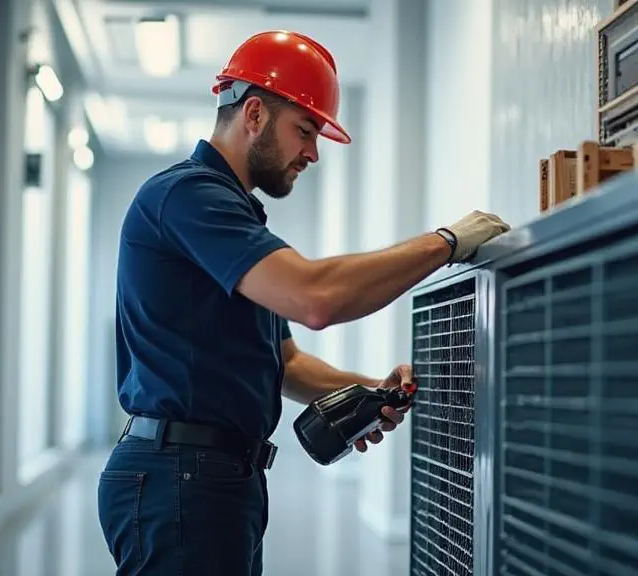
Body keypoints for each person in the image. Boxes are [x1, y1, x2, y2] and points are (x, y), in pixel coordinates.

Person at [97, 29, 511, 575]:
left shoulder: (233, 216)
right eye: (306, 130)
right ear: (254, 114)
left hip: (212, 476)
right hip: (181, 477)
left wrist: (371, 389)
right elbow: (315, 297)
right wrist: (447, 242)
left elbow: (286, 362)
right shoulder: (190, 196)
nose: (313, 153)